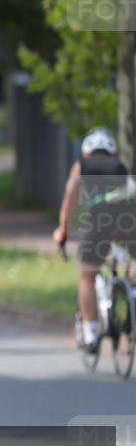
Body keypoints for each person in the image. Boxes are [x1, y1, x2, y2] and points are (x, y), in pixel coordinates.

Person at [53, 127, 136, 353]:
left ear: (87, 152)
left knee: (88, 275)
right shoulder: (121, 166)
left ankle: (91, 333)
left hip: (100, 218)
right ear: (112, 151)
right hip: (128, 216)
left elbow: (70, 197)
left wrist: (64, 231)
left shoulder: (82, 165)